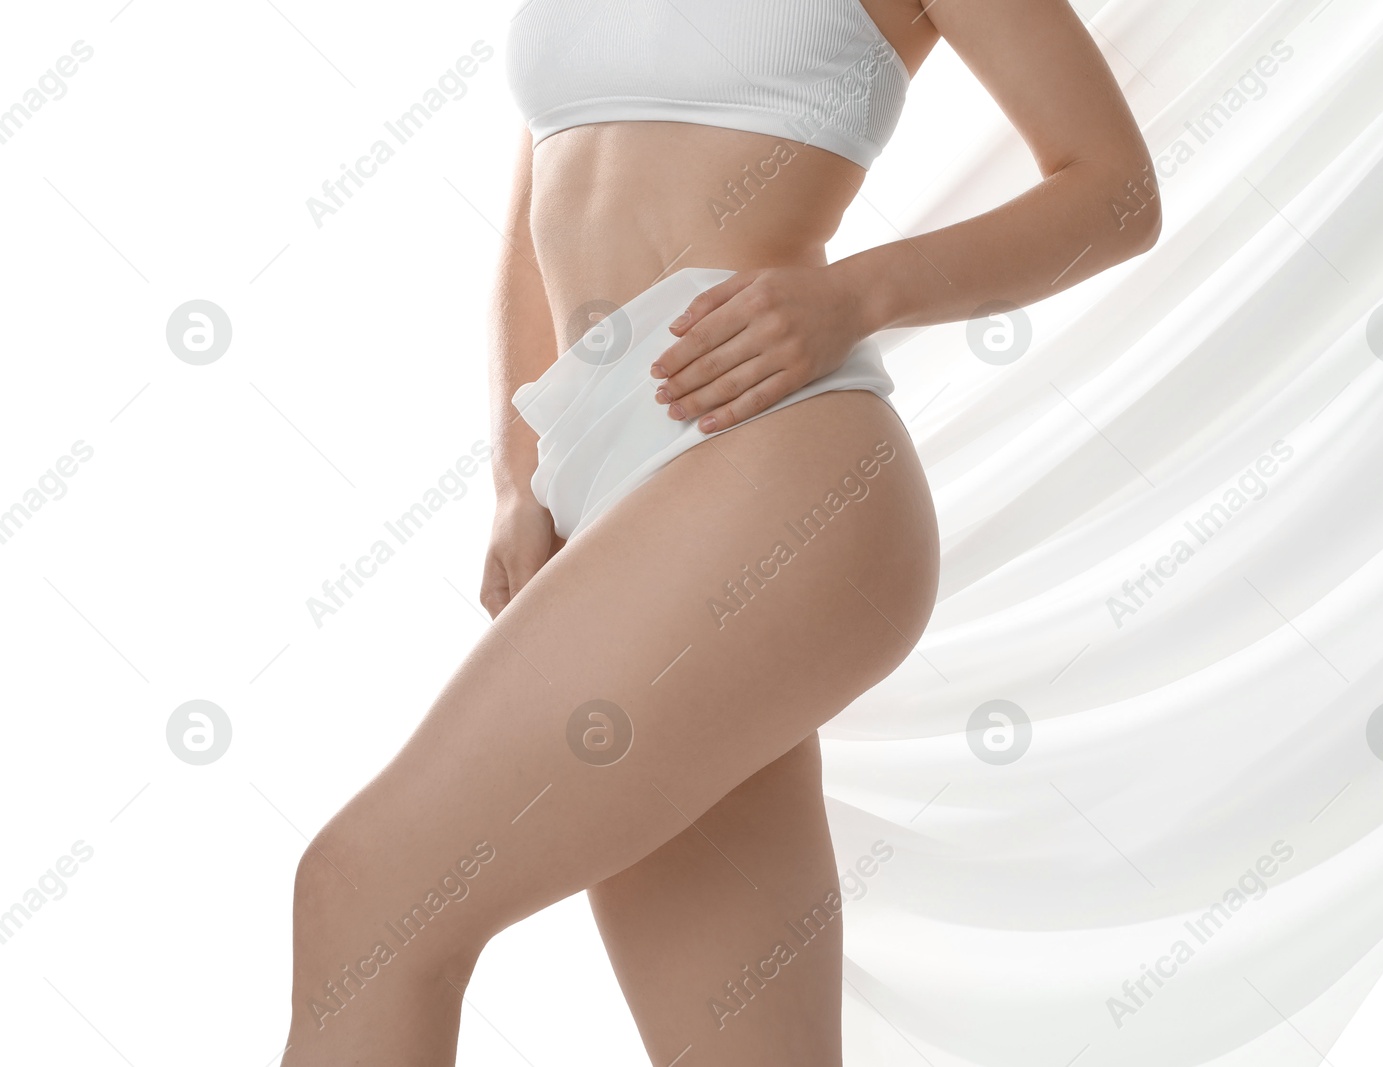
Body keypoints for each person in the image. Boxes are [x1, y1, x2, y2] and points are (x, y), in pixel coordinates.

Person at [281, 0, 1158, 1062]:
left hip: (775, 456)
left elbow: (1114, 189)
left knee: (368, 898)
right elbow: (532, 217)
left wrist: (850, 294)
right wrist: (520, 480)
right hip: (605, 482)